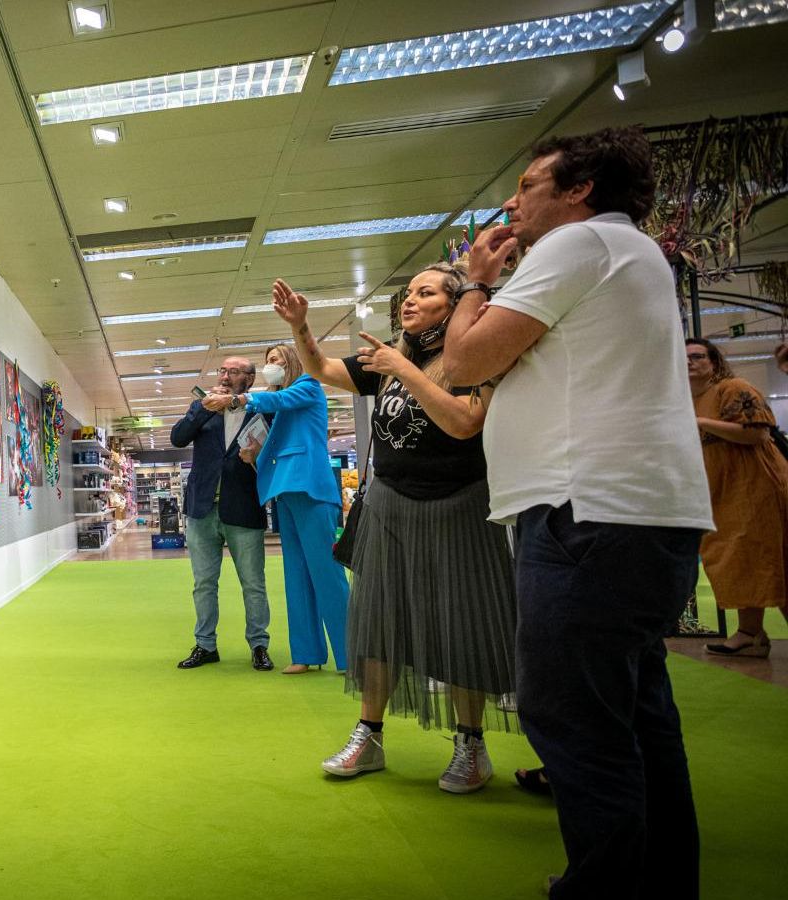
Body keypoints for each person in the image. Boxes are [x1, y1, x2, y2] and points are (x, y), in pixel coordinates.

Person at [442, 126, 714, 898]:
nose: (512, 200)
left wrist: (473, 283)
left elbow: (464, 362)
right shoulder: (633, 254)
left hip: (584, 512)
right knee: (634, 713)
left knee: (572, 717)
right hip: (634, 515)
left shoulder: (580, 246)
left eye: (529, 184)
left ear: (579, 189)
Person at [269, 268, 517, 793]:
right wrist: (300, 328)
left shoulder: (471, 360)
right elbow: (321, 368)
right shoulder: (387, 357)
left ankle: (471, 744)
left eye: (425, 293)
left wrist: (403, 367)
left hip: (459, 505)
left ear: (455, 307)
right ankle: (370, 736)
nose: (410, 301)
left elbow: (463, 422)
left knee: (460, 622)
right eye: (408, 293)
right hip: (389, 503)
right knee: (376, 618)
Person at [234, 345, 350, 675]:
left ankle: (351, 653)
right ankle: (306, 653)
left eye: (277, 361)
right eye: (268, 361)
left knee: (327, 575)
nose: (270, 366)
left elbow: (279, 400)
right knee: (296, 576)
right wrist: (256, 452)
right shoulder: (287, 403)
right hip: (285, 492)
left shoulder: (308, 386)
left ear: (293, 363)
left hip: (310, 490)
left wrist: (243, 399)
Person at [168, 357, 274, 670]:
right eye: (222, 371)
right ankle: (205, 645)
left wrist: (257, 455)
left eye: (234, 372)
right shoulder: (202, 406)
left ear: (250, 379)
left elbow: (275, 452)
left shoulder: (263, 409)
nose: (226, 377)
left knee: (253, 582)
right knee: (204, 583)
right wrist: (203, 409)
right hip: (202, 509)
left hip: (243, 505)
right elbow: (177, 438)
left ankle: (258, 645)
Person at [687, 338, 788, 656]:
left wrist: (701, 423)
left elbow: (757, 433)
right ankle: (750, 632)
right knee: (736, 557)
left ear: (713, 362)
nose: (689, 362)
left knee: (774, 557)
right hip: (723, 491)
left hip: (757, 485)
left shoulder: (733, 388)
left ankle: (751, 632)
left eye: (697, 356)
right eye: (683, 357)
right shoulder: (688, 401)